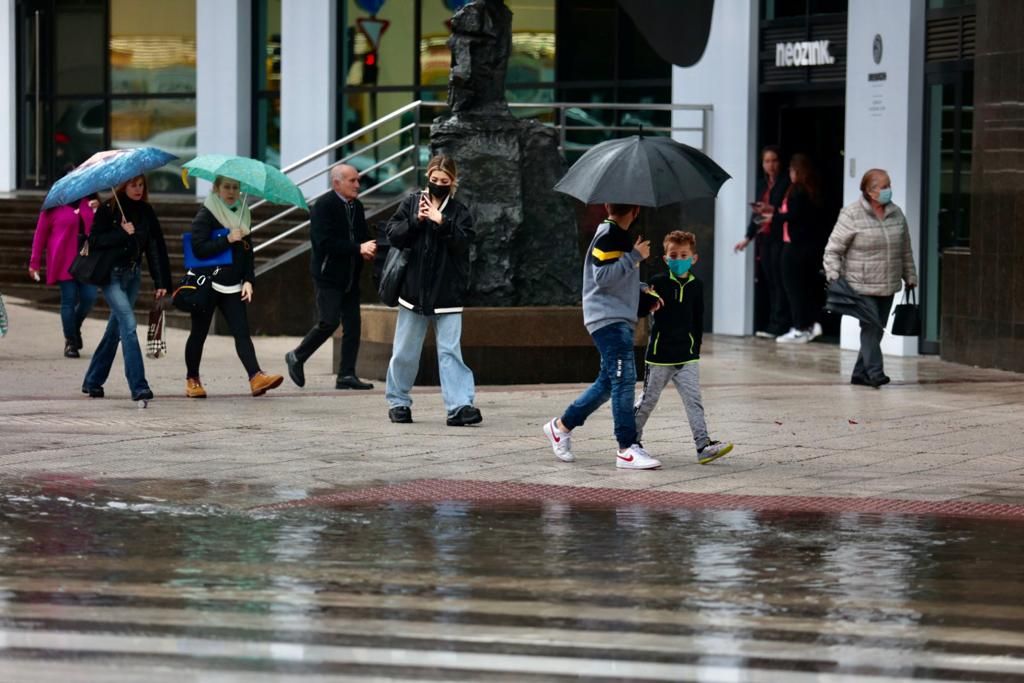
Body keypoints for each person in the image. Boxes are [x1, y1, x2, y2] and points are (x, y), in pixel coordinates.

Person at [542, 203, 662, 470]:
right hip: (609, 320)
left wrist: (643, 292)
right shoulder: (611, 235)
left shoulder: (613, 235)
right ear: (636, 210)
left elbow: (615, 279)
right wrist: (635, 256)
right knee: (624, 380)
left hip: (612, 317)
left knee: (609, 382)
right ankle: (626, 448)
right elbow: (603, 277)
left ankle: (560, 427)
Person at [383, 155, 481, 426]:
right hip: (413, 292)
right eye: (434, 179)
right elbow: (392, 234)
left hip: (447, 294)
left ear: (453, 182)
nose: (438, 184)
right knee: (405, 351)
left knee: (450, 352)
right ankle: (398, 401)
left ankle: (460, 406)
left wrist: (442, 222)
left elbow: (464, 244)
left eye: (444, 181)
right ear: (427, 176)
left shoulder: (459, 211)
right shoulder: (411, 202)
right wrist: (416, 220)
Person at [633, 231, 734, 464]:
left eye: (684, 255)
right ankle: (630, 440)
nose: (679, 259)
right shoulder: (658, 282)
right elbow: (641, 307)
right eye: (674, 255)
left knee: (694, 400)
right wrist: (645, 294)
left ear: (694, 258)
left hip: (687, 355)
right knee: (648, 400)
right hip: (660, 355)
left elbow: (698, 318)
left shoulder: (697, 286)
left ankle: (703, 445)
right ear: (667, 259)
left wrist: (695, 347)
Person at [183, 176, 283, 398]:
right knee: (198, 334)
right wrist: (226, 239)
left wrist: (249, 280)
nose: (231, 191)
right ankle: (192, 379)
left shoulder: (242, 213)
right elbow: (198, 249)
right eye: (226, 187)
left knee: (242, 333)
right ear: (217, 189)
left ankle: (256, 377)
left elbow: (247, 250)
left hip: (232, 285)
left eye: (235, 187)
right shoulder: (206, 214)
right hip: (207, 283)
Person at [823, 169, 918, 387]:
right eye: (883, 186)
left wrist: (910, 275)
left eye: (889, 185)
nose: (888, 190)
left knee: (876, 329)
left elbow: (905, 250)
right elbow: (833, 250)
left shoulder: (896, 213)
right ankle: (876, 372)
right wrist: (834, 275)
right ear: (869, 191)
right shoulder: (851, 214)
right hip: (860, 284)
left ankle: (859, 374)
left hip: (889, 283)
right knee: (870, 327)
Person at [285, 164, 376, 390]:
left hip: (351, 276)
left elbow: (362, 236)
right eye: (352, 181)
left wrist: (372, 246)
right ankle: (297, 356)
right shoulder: (323, 206)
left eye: (358, 180)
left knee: (353, 325)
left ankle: (346, 374)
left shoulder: (357, 206)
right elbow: (324, 243)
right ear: (337, 183)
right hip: (328, 275)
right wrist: (358, 248)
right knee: (329, 321)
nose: (357, 185)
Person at [81, 175, 170, 402]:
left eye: (141, 185)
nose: (138, 189)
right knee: (129, 326)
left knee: (115, 329)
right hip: (111, 276)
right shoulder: (108, 209)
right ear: (123, 186)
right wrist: (121, 233)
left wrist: (161, 283)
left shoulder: (146, 212)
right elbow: (94, 240)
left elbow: (155, 248)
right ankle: (139, 386)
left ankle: (93, 380)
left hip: (133, 276)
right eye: (133, 185)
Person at [29, 196, 99, 357]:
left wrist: (98, 210)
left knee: (89, 297)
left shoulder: (90, 203)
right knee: (69, 299)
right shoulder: (52, 207)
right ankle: (71, 342)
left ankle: (74, 326)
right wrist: (34, 262)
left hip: (86, 262)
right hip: (63, 261)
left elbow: (99, 230)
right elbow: (40, 235)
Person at [735, 145, 790, 339]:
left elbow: (785, 210)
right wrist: (748, 237)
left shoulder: (786, 182)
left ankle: (780, 324)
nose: (771, 165)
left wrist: (771, 210)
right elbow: (756, 215)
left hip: (780, 236)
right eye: (767, 161)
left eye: (774, 160)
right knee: (769, 281)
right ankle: (772, 323)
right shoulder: (761, 184)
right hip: (764, 236)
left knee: (780, 281)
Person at [775, 153, 825, 344]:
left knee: (793, 288)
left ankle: (800, 327)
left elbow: (793, 216)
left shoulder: (797, 191)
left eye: (792, 170)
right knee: (806, 287)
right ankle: (810, 324)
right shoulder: (813, 190)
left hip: (794, 246)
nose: (789, 173)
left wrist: (774, 216)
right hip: (808, 247)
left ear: (797, 171)